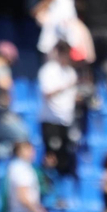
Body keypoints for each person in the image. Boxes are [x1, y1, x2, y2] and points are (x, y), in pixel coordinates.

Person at [37, 43, 80, 180]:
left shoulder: (71, 72)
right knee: (51, 156)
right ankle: (46, 184)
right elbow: (47, 93)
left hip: (67, 120)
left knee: (64, 157)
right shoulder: (48, 70)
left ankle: (62, 192)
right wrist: (65, 86)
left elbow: (72, 96)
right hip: (51, 120)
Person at [4, 140, 47, 212]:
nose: (32, 152)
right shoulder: (21, 169)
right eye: (28, 149)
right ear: (19, 151)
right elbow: (23, 196)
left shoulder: (15, 167)